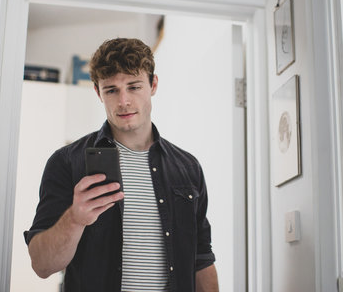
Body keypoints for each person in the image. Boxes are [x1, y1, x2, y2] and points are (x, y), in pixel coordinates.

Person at [24, 38, 219, 292]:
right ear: (97, 92)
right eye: (111, 90)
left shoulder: (188, 167)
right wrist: (75, 219)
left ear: (153, 84)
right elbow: (42, 265)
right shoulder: (66, 162)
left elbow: (201, 258)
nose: (123, 101)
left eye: (134, 86)